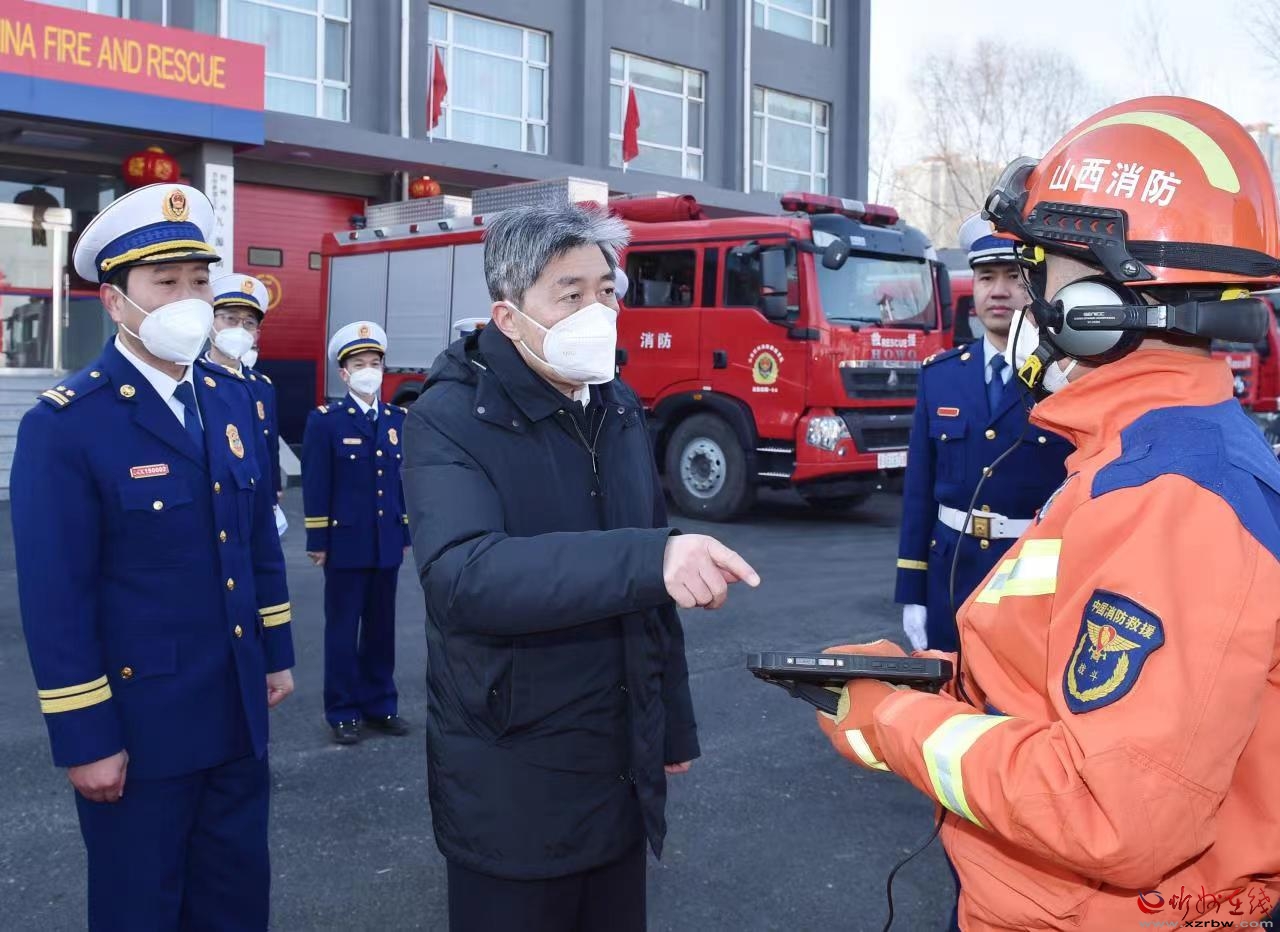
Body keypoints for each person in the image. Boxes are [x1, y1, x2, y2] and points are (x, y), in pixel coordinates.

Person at [816, 96, 1280, 930]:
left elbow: (1109, 811)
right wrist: (933, 682)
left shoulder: (1172, 495)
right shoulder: (1144, 452)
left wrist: (895, 719)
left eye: (1040, 267)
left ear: (1105, 299)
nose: (1023, 293)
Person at [402, 203, 760, 932]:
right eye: (570, 295)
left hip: (618, 766)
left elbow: (648, 586)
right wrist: (652, 558)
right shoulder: (448, 418)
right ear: (508, 317)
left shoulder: (618, 406)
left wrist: (672, 725)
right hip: (512, 772)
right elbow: (465, 575)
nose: (597, 312)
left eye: (605, 291)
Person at [9, 183, 294, 930]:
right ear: (114, 301)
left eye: (199, 281)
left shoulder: (230, 401)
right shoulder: (67, 426)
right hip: (141, 731)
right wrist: (86, 736)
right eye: (165, 283)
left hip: (235, 711)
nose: (189, 300)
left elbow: (255, 541)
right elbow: (56, 600)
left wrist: (275, 654)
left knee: (236, 902)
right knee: (140, 908)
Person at [896, 214, 1072, 652]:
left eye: (1014, 276)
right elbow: (918, 493)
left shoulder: (1065, 380)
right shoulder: (939, 376)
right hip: (950, 574)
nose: (998, 290)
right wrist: (912, 590)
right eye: (986, 277)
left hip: (1032, 580)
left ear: (1034, 286)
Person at [301, 321, 411, 745]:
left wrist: (403, 533)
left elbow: (400, 483)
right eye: (360, 364)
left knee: (382, 630)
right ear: (344, 374)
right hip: (344, 543)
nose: (369, 371)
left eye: (375, 363)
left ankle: (380, 704)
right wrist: (317, 540)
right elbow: (316, 484)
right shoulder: (326, 421)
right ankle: (343, 710)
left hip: (386, 542)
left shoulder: (397, 419)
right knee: (343, 631)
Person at [199, 272, 286, 532]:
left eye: (248, 323)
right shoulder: (190, 378)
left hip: (254, 502)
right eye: (230, 319)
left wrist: (273, 492)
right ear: (210, 323)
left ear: (256, 334)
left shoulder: (262, 386)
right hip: (209, 506)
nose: (239, 329)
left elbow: (269, 447)